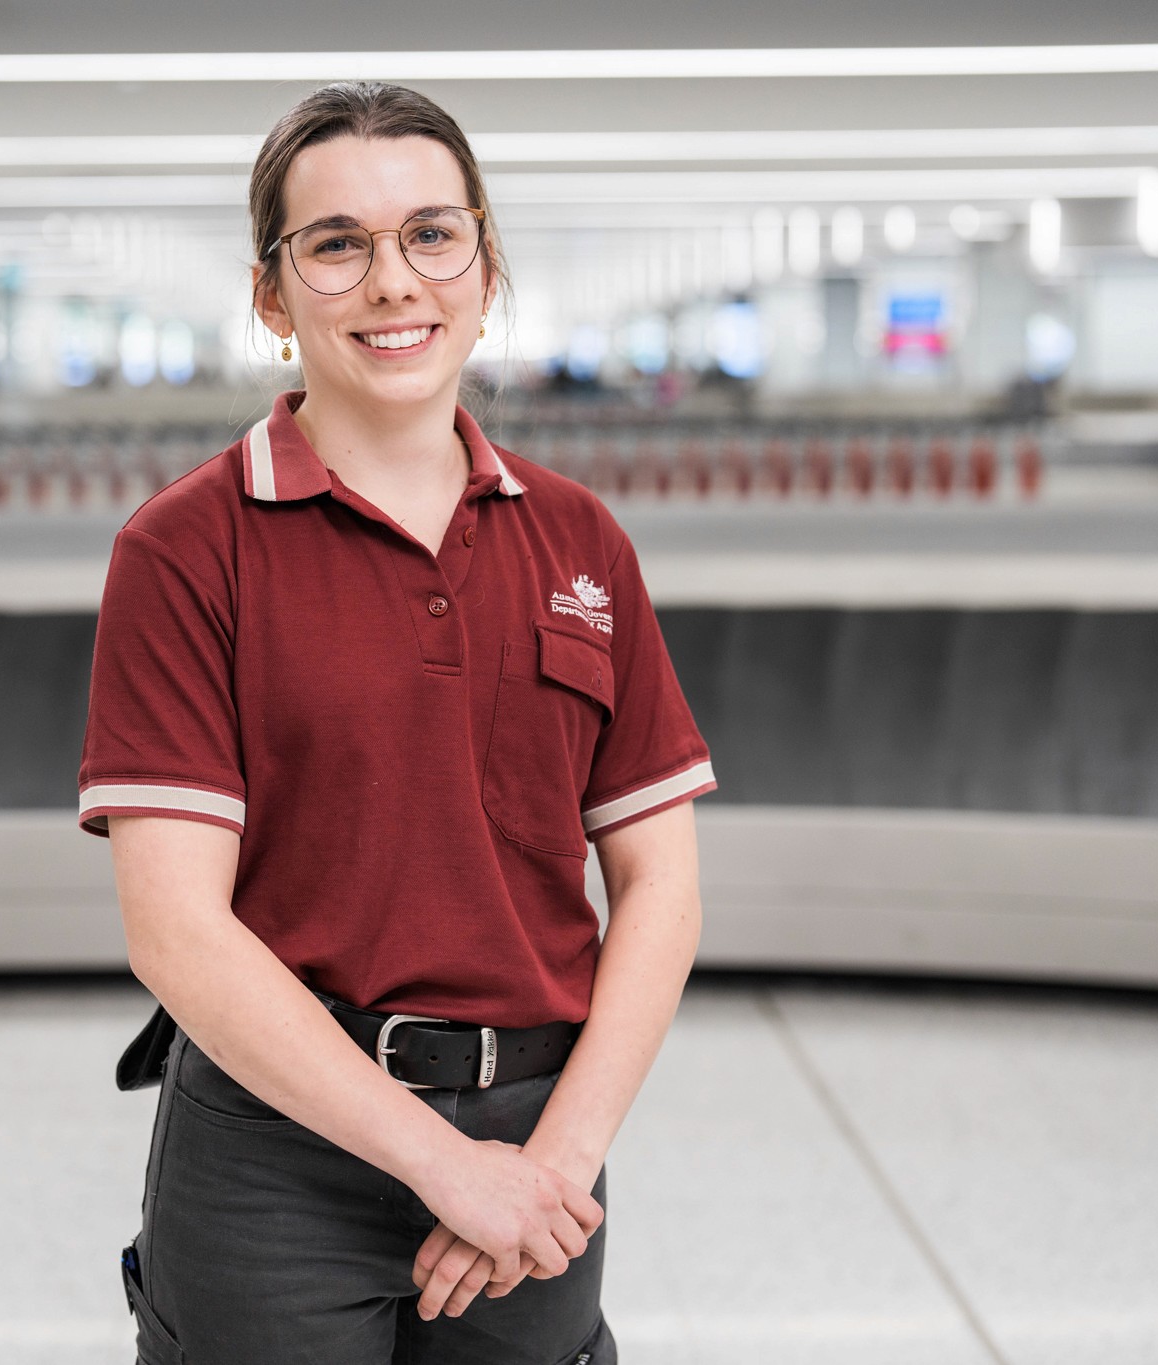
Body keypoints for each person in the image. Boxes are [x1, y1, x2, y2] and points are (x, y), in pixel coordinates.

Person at [78, 81, 716, 1365]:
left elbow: (658, 885)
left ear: (484, 265)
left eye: (432, 233)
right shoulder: (185, 549)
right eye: (336, 245)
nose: (393, 282)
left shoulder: (578, 539)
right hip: (274, 1155)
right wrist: (442, 1167)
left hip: (537, 1137)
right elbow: (175, 929)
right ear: (272, 295)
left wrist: (546, 1166)